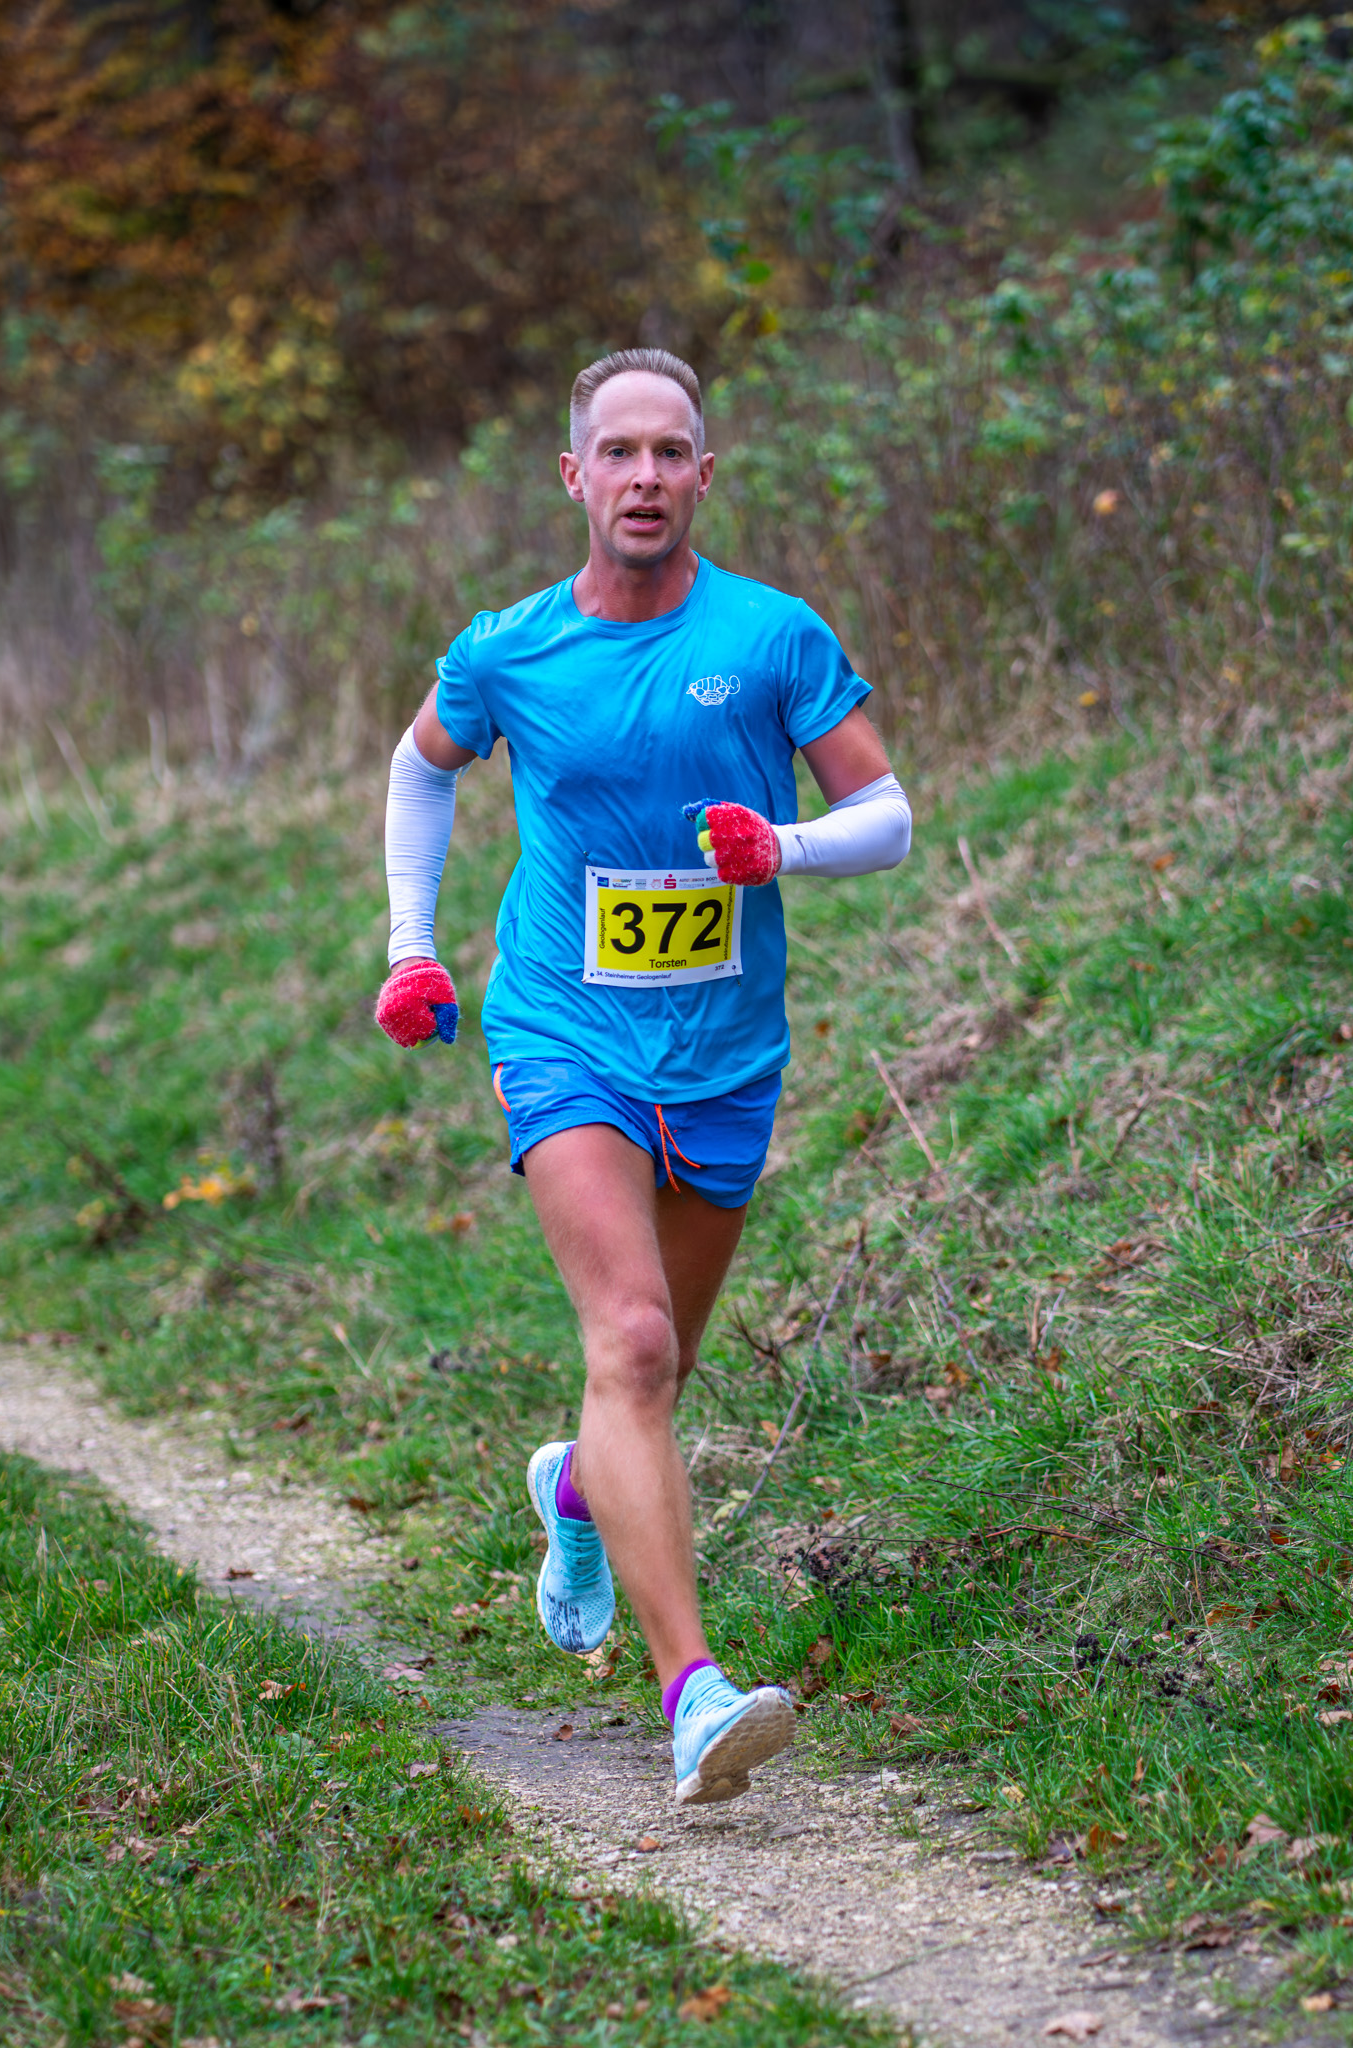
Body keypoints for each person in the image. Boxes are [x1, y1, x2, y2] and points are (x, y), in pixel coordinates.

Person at [375, 347, 911, 1805]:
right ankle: (694, 1696)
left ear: (704, 475)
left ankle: (573, 1485)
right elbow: (421, 769)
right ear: (574, 476)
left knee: (657, 1365)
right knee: (633, 1342)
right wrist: (412, 944)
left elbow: (886, 814)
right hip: (562, 1030)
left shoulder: (772, 636)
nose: (645, 476)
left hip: (726, 1056)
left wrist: (782, 847)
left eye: (671, 451)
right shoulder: (509, 650)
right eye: (618, 451)